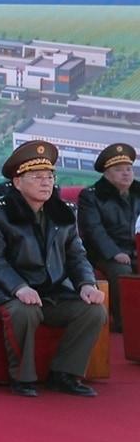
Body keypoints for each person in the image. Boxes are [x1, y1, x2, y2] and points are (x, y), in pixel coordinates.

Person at [0, 140, 107, 397]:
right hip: (7, 290)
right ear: (17, 182)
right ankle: (22, 378)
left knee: (93, 312)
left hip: (53, 290)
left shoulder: (64, 211)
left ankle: (64, 374)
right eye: (37, 177)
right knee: (25, 312)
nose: (46, 182)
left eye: (49, 176)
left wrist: (86, 283)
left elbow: (76, 255)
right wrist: (19, 287)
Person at [76, 142, 140, 332]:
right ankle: (127, 325)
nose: (126, 173)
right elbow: (94, 230)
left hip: (135, 249)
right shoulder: (91, 196)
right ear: (106, 173)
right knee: (121, 270)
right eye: (119, 170)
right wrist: (114, 253)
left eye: (129, 169)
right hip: (104, 254)